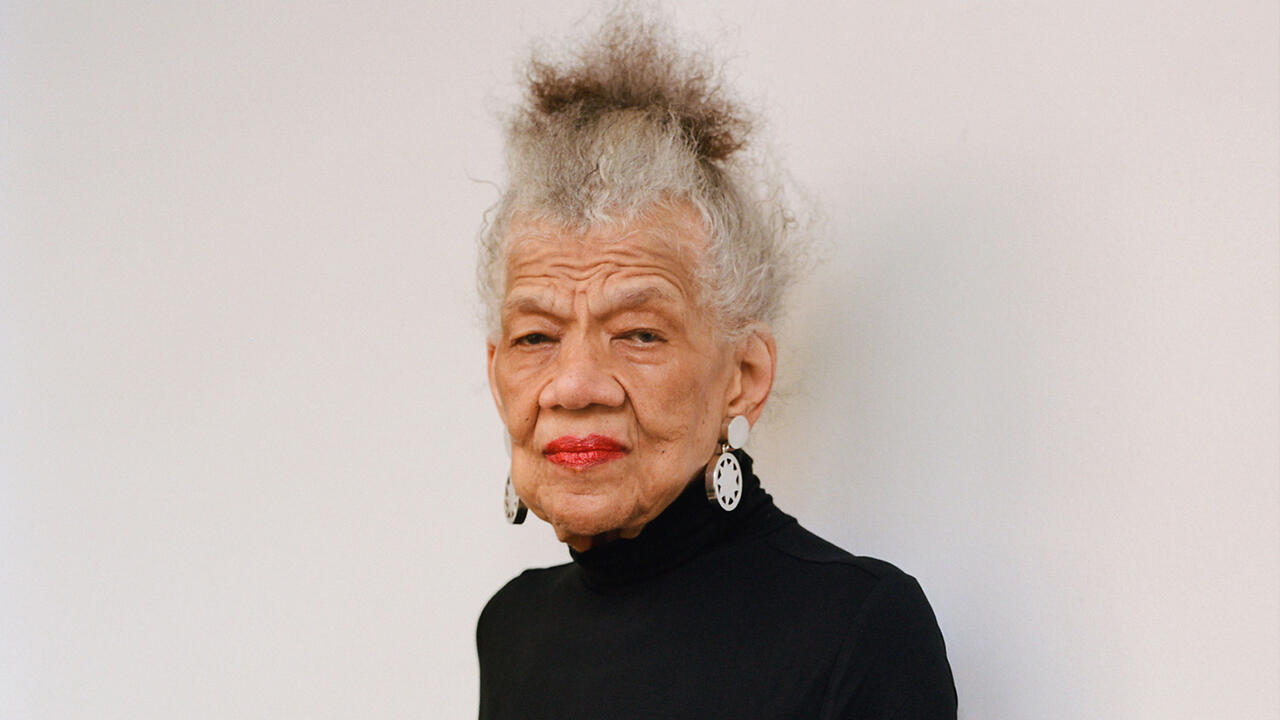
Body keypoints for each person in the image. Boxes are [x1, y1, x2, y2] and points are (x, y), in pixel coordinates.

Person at [474, 10, 956, 719]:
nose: (574, 385)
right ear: (496, 373)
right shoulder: (511, 629)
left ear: (745, 377)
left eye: (639, 333)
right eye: (536, 337)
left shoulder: (856, 629)